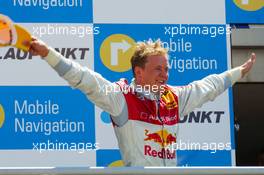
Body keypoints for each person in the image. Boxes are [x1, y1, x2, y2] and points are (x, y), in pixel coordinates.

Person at [25, 38, 256, 166]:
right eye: (158, 69)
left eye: (166, 69)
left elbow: (208, 87)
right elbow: (85, 79)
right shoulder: (121, 97)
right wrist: (49, 54)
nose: (164, 75)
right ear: (138, 72)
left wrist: (239, 72)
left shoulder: (174, 97)